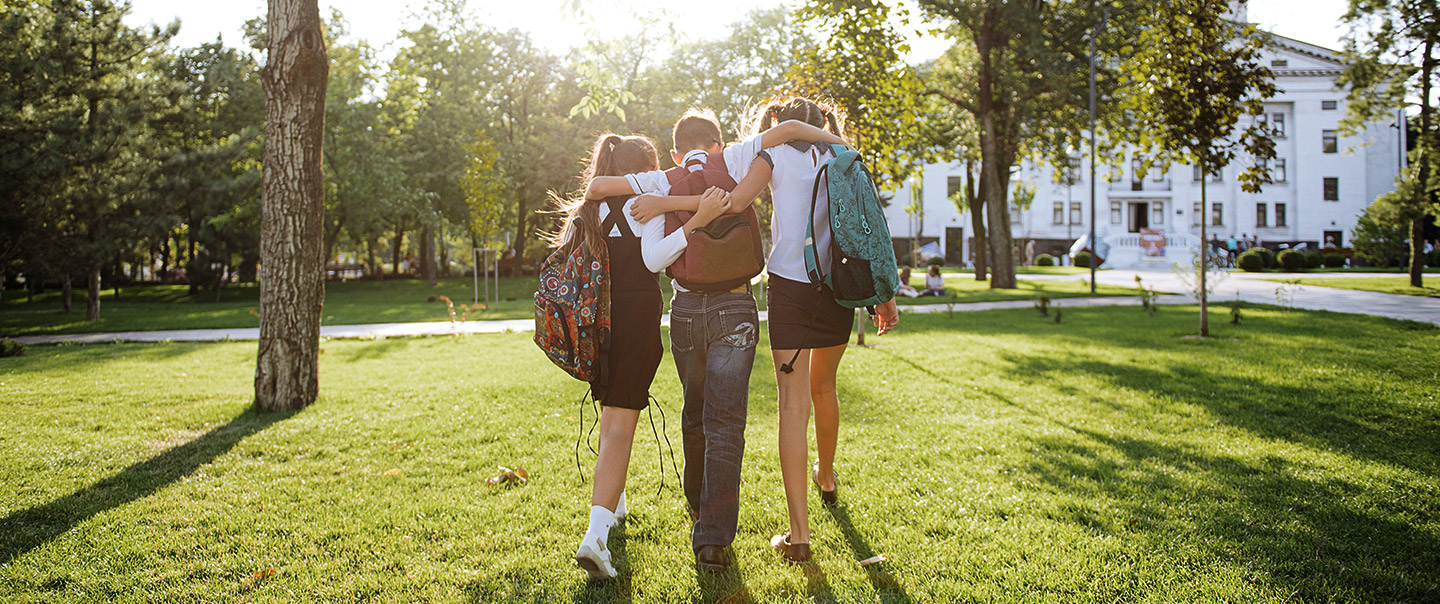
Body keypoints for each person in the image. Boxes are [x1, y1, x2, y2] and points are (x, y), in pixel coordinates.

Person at [586, 109, 848, 573]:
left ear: (674, 150)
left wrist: (656, 197)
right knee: (727, 421)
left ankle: (696, 504)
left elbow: (599, 189)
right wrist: (838, 141)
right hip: (736, 307)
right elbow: (787, 132)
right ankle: (713, 539)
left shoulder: (660, 178)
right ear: (717, 142)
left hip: (685, 310)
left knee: (695, 412)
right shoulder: (734, 157)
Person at [715, 97, 898, 564]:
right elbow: (867, 228)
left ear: (778, 124)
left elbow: (737, 201)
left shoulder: (771, 155)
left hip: (790, 291)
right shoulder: (841, 157)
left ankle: (799, 536)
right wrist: (885, 293)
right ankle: (827, 476)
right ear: (823, 124)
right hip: (837, 287)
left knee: (792, 407)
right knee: (825, 388)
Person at [555, 133, 732, 580]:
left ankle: (614, 507)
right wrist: (692, 224)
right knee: (619, 425)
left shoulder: (590, 207)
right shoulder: (647, 196)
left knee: (610, 413)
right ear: (645, 166)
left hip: (594, 323)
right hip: (634, 321)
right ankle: (595, 536)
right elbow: (654, 260)